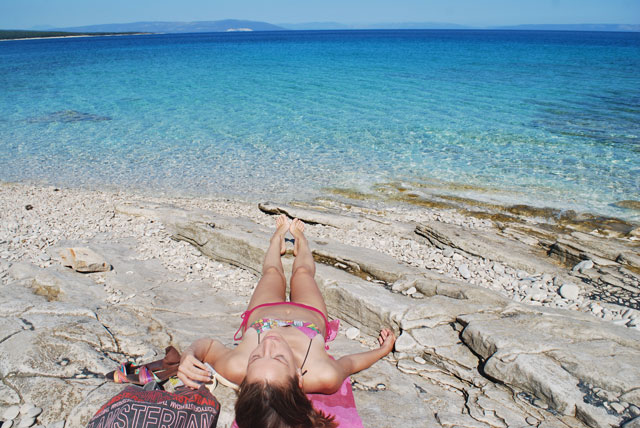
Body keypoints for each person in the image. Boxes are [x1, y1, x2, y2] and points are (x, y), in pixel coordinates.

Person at [177, 215, 396, 428]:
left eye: (255, 357)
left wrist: (188, 355)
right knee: (303, 272)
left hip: (264, 311)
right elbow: (349, 364)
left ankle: (277, 240)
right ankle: (301, 240)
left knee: (272, 271)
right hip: (309, 314)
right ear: (298, 377)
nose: (269, 343)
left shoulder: (234, 367)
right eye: (279, 358)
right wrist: (382, 351)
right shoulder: (324, 375)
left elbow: (206, 348)